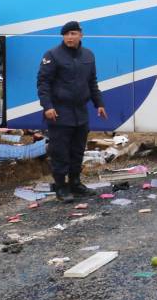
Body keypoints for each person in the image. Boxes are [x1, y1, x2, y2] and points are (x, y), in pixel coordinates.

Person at [37, 21, 107, 202]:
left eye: (73, 33)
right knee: (59, 151)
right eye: (66, 34)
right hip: (59, 112)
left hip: (80, 113)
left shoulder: (88, 55)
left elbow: (92, 82)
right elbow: (43, 83)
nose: (69, 37)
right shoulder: (52, 55)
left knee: (77, 150)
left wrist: (99, 104)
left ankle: (75, 183)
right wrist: (48, 107)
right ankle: (61, 187)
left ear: (80, 35)